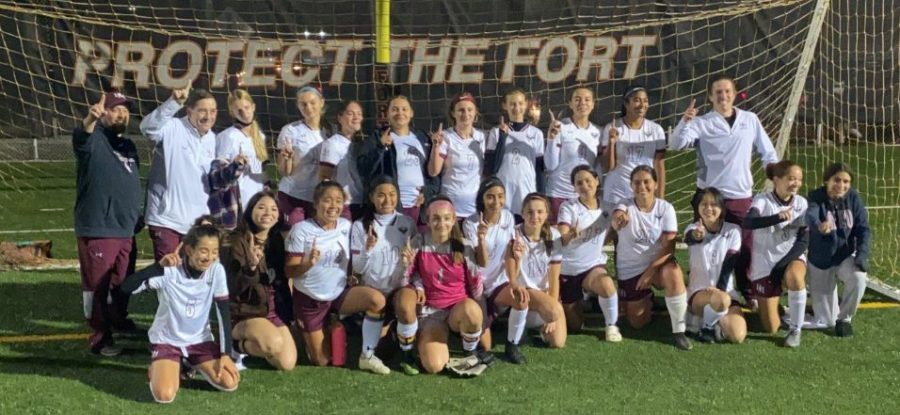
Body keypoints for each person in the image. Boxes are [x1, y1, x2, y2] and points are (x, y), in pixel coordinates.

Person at [670, 74, 779, 303]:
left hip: (741, 195)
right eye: (718, 92)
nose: (723, 96)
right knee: (704, 244)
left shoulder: (749, 119)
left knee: (744, 247)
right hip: (710, 198)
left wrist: (774, 175)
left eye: (727, 91)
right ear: (710, 96)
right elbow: (677, 144)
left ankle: (747, 291)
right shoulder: (702, 122)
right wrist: (684, 121)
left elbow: (768, 152)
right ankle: (702, 289)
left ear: (734, 94)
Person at [118, 223, 240, 403]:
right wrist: (158, 267)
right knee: (164, 395)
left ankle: (190, 362)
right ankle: (158, 367)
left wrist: (225, 354)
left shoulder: (217, 270)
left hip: (200, 341)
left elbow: (223, 312)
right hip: (168, 341)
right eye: (204, 251)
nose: (210, 257)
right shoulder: (169, 271)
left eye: (215, 252)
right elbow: (126, 287)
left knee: (230, 383)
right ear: (189, 250)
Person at [284, 181, 389, 372]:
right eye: (327, 200)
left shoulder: (346, 226)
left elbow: (354, 256)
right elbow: (289, 271)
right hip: (311, 300)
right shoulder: (301, 230)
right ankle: (304, 330)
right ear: (315, 203)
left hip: (340, 294)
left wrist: (366, 250)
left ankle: (367, 353)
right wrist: (308, 264)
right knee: (322, 361)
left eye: (338, 201)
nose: (333, 206)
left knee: (377, 300)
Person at [73, 90, 142, 356]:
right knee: (97, 286)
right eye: (115, 109)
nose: (122, 114)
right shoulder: (94, 140)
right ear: (104, 114)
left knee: (122, 283)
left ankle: (118, 321)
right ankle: (100, 338)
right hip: (99, 228)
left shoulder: (127, 145)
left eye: (125, 110)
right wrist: (90, 118)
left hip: (125, 230)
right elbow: (82, 136)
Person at [611, 165, 691, 350]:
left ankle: (679, 331)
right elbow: (617, 216)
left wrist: (650, 271)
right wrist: (618, 219)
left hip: (656, 267)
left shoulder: (665, 208)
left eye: (647, 181)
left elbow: (669, 246)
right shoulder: (625, 205)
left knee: (673, 271)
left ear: (655, 184)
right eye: (637, 182)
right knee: (637, 322)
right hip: (631, 270)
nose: (642, 186)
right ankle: (649, 299)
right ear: (631, 185)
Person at [406, 197, 485, 374]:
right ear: (427, 220)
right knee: (434, 366)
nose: (441, 223)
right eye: (435, 218)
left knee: (472, 312)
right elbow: (406, 278)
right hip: (431, 312)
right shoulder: (419, 242)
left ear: (454, 219)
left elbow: (476, 284)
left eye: (446, 218)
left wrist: (479, 318)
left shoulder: (463, 245)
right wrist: (415, 281)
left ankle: (469, 351)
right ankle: (426, 342)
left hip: (457, 309)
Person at [350, 176, 420, 375]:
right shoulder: (360, 226)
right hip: (373, 293)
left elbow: (415, 266)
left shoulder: (407, 222)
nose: (387, 200)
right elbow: (359, 268)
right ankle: (369, 352)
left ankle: (407, 355)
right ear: (371, 197)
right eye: (381, 195)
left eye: (392, 194)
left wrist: (408, 264)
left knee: (407, 305)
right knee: (383, 350)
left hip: (399, 289)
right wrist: (368, 249)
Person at [220, 190, 297, 370]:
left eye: (273, 209)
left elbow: (281, 281)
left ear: (278, 216)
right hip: (244, 310)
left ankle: (249, 343)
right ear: (250, 211)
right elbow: (232, 286)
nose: (267, 213)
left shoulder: (276, 241)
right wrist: (251, 268)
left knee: (286, 364)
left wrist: (289, 314)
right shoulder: (236, 241)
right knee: (273, 344)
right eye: (261, 207)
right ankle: (233, 343)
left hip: (270, 309)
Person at [140, 86, 218, 260]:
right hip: (166, 219)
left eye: (213, 111)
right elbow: (147, 128)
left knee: (193, 278)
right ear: (189, 110)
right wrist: (173, 103)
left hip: (197, 223)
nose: (208, 116)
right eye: (202, 111)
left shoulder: (213, 140)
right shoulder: (173, 127)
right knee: (171, 276)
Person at [743, 160, 808, 347]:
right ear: (776, 180)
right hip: (765, 265)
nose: (795, 183)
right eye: (791, 179)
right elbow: (748, 222)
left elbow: (804, 240)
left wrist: (782, 266)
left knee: (795, 275)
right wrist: (775, 218)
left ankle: (796, 329)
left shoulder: (802, 204)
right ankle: (784, 310)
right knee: (771, 327)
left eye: (799, 179)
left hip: (789, 259)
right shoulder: (762, 200)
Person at [556, 166, 620, 342]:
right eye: (579, 183)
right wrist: (570, 234)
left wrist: (615, 229)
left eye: (588, 181)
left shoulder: (608, 207)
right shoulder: (568, 207)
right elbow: (562, 237)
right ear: (574, 187)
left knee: (607, 284)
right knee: (575, 326)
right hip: (568, 270)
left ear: (597, 181)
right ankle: (578, 298)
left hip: (592, 266)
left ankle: (611, 326)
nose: (584, 185)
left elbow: (609, 233)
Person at [806, 162, 871, 337]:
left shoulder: (854, 198)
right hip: (821, 260)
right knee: (826, 320)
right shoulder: (815, 196)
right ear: (827, 180)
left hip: (844, 256)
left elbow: (863, 229)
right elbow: (810, 214)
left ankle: (845, 319)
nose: (841, 185)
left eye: (846, 181)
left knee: (859, 278)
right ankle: (811, 307)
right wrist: (819, 225)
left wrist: (862, 256)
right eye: (837, 180)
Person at [355, 95, 434, 227]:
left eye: (404, 109)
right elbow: (363, 168)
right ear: (387, 114)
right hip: (392, 206)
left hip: (420, 208)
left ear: (411, 113)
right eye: (395, 109)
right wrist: (380, 147)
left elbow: (434, 174)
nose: (400, 113)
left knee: (417, 245)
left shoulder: (422, 138)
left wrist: (427, 193)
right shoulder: (377, 137)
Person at [505, 193, 568, 351]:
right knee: (553, 310)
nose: (535, 216)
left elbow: (554, 279)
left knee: (558, 343)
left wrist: (551, 316)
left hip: (545, 297)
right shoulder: (513, 234)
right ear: (522, 212)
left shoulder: (554, 236)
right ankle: (520, 327)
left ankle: (537, 326)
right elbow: (511, 274)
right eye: (530, 212)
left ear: (547, 214)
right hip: (523, 294)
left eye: (540, 212)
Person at [683, 187, 747, 344]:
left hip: (725, 292)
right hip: (699, 293)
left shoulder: (733, 231)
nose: (708, 208)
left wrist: (719, 291)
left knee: (737, 335)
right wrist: (697, 235)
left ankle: (706, 321)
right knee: (721, 300)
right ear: (698, 208)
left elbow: (729, 266)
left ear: (722, 208)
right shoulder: (692, 228)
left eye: (713, 204)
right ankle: (707, 327)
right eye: (704, 204)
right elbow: (691, 238)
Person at [600, 86, 667, 209]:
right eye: (637, 100)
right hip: (616, 192)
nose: (642, 105)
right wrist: (611, 142)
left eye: (645, 101)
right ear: (626, 103)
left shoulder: (656, 130)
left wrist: (660, 198)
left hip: (644, 191)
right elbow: (608, 167)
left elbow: (659, 166)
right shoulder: (613, 128)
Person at [485, 88, 546, 217]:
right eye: (512, 103)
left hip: (527, 192)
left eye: (520, 103)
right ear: (504, 105)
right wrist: (502, 138)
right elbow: (492, 168)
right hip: (503, 194)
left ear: (526, 104)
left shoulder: (536, 134)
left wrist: (542, 197)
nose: (516, 107)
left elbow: (539, 170)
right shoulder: (496, 132)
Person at [544, 86, 602, 223]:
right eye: (577, 99)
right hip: (558, 195)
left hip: (584, 197)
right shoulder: (561, 127)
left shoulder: (598, 132)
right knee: (557, 240)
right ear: (570, 103)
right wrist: (551, 139)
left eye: (587, 100)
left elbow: (598, 168)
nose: (582, 103)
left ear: (593, 104)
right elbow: (550, 166)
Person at [276, 85, 328, 227]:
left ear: (321, 102)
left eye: (312, 102)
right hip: (293, 196)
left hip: (319, 198)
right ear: (298, 106)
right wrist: (287, 158)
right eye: (303, 104)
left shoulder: (331, 131)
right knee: (294, 239)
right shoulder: (290, 131)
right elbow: (284, 171)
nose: (308, 107)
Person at [427, 92, 485, 220]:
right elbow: (433, 171)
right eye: (461, 110)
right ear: (453, 113)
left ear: (475, 112)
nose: (465, 114)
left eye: (469, 109)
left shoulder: (482, 138)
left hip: (475, 209)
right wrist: (435, 146)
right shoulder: (446, 137)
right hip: (450, 208)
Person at [215, 89, 269, 211]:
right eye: (239, 110)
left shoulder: (260, 136)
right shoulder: (227, 136)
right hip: (237, 203)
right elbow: (219, 175)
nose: (244, 113)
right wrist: (235, 166)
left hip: (258, 201)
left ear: (253, 107)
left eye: (246, 107)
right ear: (232, 113)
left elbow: (261, 171)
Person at [319, 100, 366, 220]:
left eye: (359, 113)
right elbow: (324, 177)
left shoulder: (362, 144)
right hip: (345, 207)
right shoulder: (333, 144)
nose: (356, 117)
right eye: (350, 113)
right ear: (340, 117)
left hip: (363, 204)